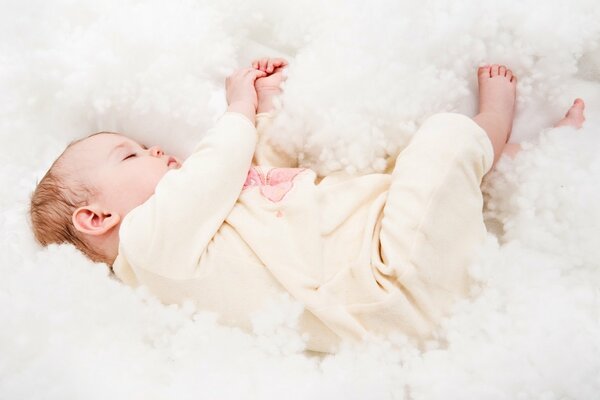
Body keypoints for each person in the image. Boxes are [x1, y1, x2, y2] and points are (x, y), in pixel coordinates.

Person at [29, 59, 585, 352]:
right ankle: (495, 123)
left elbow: (256, 177)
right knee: (442, 141)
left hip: (387, 267)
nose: (154, 150)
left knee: (410, 177)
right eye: (130, 156)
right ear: (98, 218)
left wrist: (266, 111)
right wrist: (239, 105)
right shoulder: (148, 245)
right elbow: (221, 164)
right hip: (390, 282)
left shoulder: (190, 240)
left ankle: (512, 157)